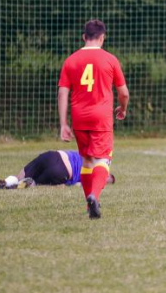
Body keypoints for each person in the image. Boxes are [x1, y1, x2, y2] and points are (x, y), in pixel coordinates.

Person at [59, 19, 129, 219]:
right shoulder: (110, 59)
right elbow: (123, 93)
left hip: (79, 117)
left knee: (87, 161)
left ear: (83, 37)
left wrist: (63, 123)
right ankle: (94, 196)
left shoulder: (70, 60)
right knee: (103, 160)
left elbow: (62, 93)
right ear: (102, 38)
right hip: (101, 118)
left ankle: (89, 205)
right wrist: (122, 108)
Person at [0, 150, 116, 189]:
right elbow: (105, 178)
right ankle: (29, 184)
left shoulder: (84, 151)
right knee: (53, 185)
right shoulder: (96, 170)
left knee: (19, 176)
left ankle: (8, 181)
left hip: (52, 155)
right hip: (62, 170)